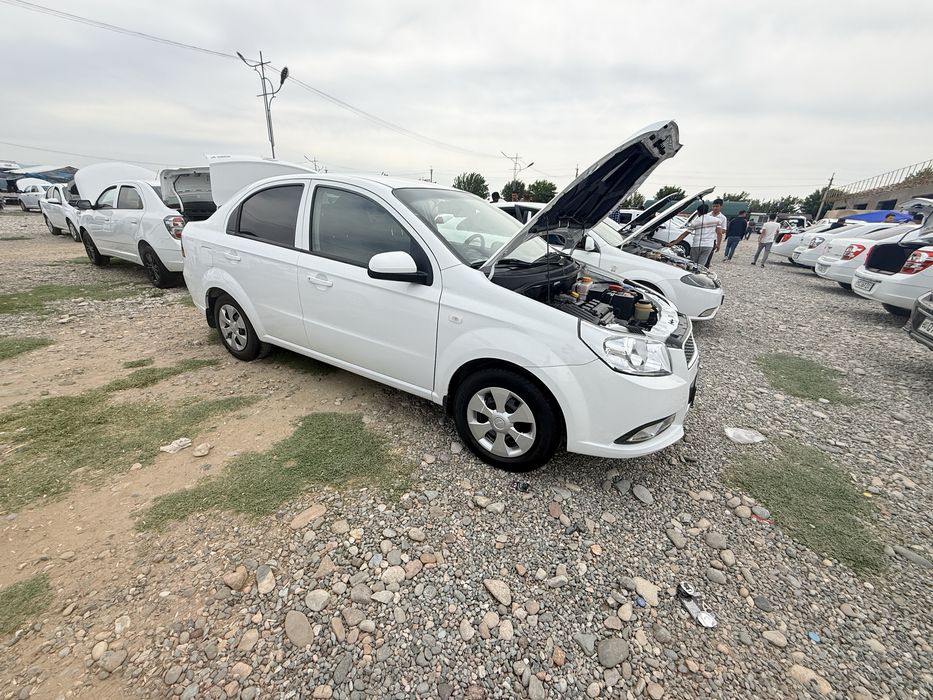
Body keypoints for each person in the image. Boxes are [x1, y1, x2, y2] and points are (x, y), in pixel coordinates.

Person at [671, 198, 726, 267]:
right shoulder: (717, 220)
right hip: (708, 245)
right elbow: (719, 233)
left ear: (698, 212)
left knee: (692, 264)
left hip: (696, 245)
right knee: (701, 265)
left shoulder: (695, 222)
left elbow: (685, 233)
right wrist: (718, 244)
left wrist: (674, 242)